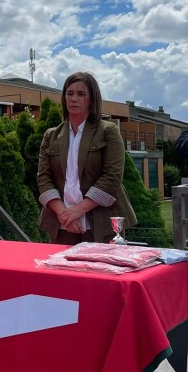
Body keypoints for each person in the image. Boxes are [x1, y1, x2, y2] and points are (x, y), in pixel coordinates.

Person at [37, 71, 137, 245]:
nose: (74, 98)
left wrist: (77, 211)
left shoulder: (108, 131)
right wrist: (64, 214)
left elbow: (112, 177)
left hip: (101, 223)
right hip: (62, 224)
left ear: (92, 99)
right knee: (61, 271)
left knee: (100, 270)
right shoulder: (51, 135)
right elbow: (43, 178)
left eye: (81, 94)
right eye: (70, 93)